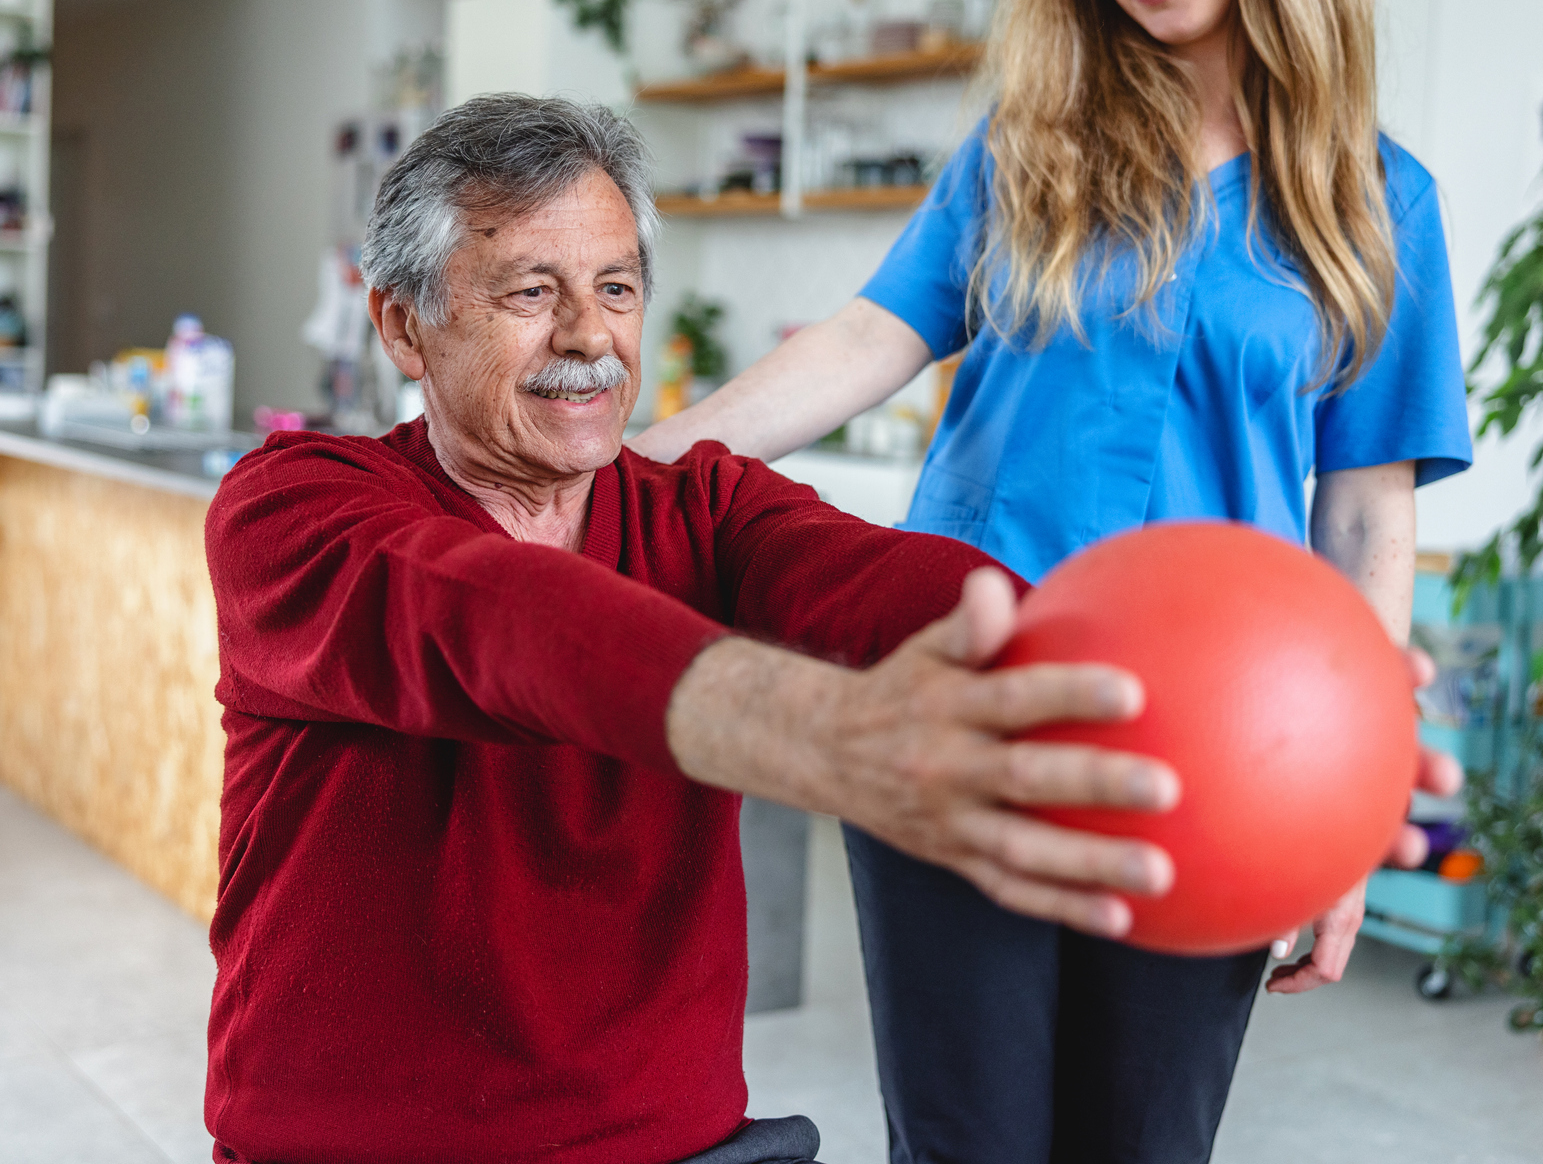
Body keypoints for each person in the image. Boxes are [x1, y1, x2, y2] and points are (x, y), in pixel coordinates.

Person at [630, 0, 1472, 1161]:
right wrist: (627, 465)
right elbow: (865, 341)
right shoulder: (1031, 146)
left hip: (1218, 747)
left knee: (1145, 1142)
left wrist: (1348, 804)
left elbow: (1367, 520)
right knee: (964, 1141)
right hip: (967, 696)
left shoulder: (1378, 201)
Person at [201, 92, 1189, 1164]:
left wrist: (1153, 695)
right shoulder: (292, 507)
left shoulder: (705, 508)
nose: (588, 336)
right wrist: (825, 731)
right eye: (532, 291)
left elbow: (889, 579)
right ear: (402, 323)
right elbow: (496, 617)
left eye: (615, 288)